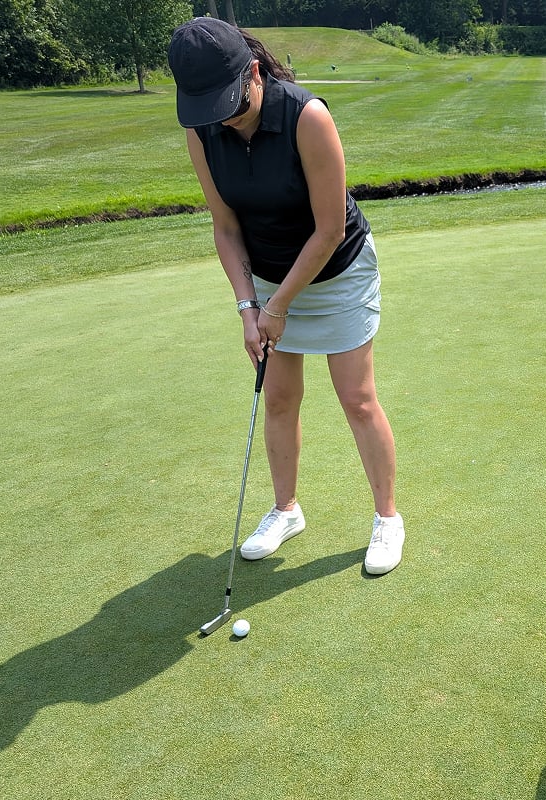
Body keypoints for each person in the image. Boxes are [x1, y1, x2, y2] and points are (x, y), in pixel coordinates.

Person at [168, 17, 404, 575]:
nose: (223, 118)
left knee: (357, 398)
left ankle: (387, 518)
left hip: (338, 271)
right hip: (268, 275)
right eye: (209, 108)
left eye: (231, 103)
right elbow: (225, 225)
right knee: (278, 399)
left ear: (254, 72)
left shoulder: (307, 116)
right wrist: (248, 307)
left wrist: (276, 308)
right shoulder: (202, 129)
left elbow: (329, 230)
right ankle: (285, 510)